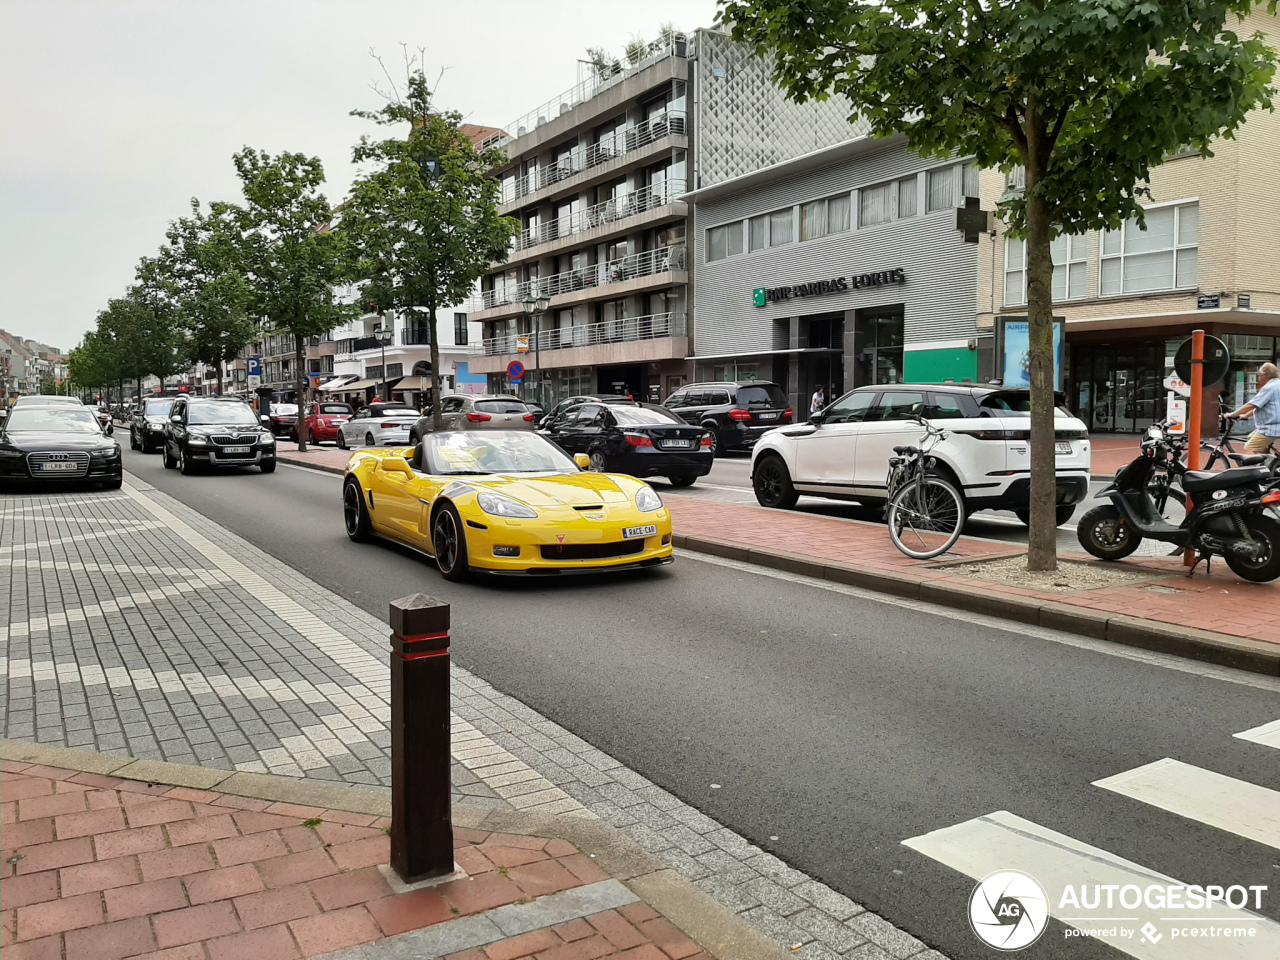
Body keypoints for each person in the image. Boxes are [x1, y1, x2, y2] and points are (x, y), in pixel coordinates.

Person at [1223, 361, 1280, 454]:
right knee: (1251, 438)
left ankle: (1253, 468)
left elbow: (1251, 405)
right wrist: (1245, 416)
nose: (1258, 378)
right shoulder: (1277, 384)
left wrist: (1233, 414)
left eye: (1258, 375)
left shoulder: (1269, 388)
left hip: (1270, 429)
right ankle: (1267, 464)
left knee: (1250, 448)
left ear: (1263, 375)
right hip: (1275, 426)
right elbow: (1260, 406)